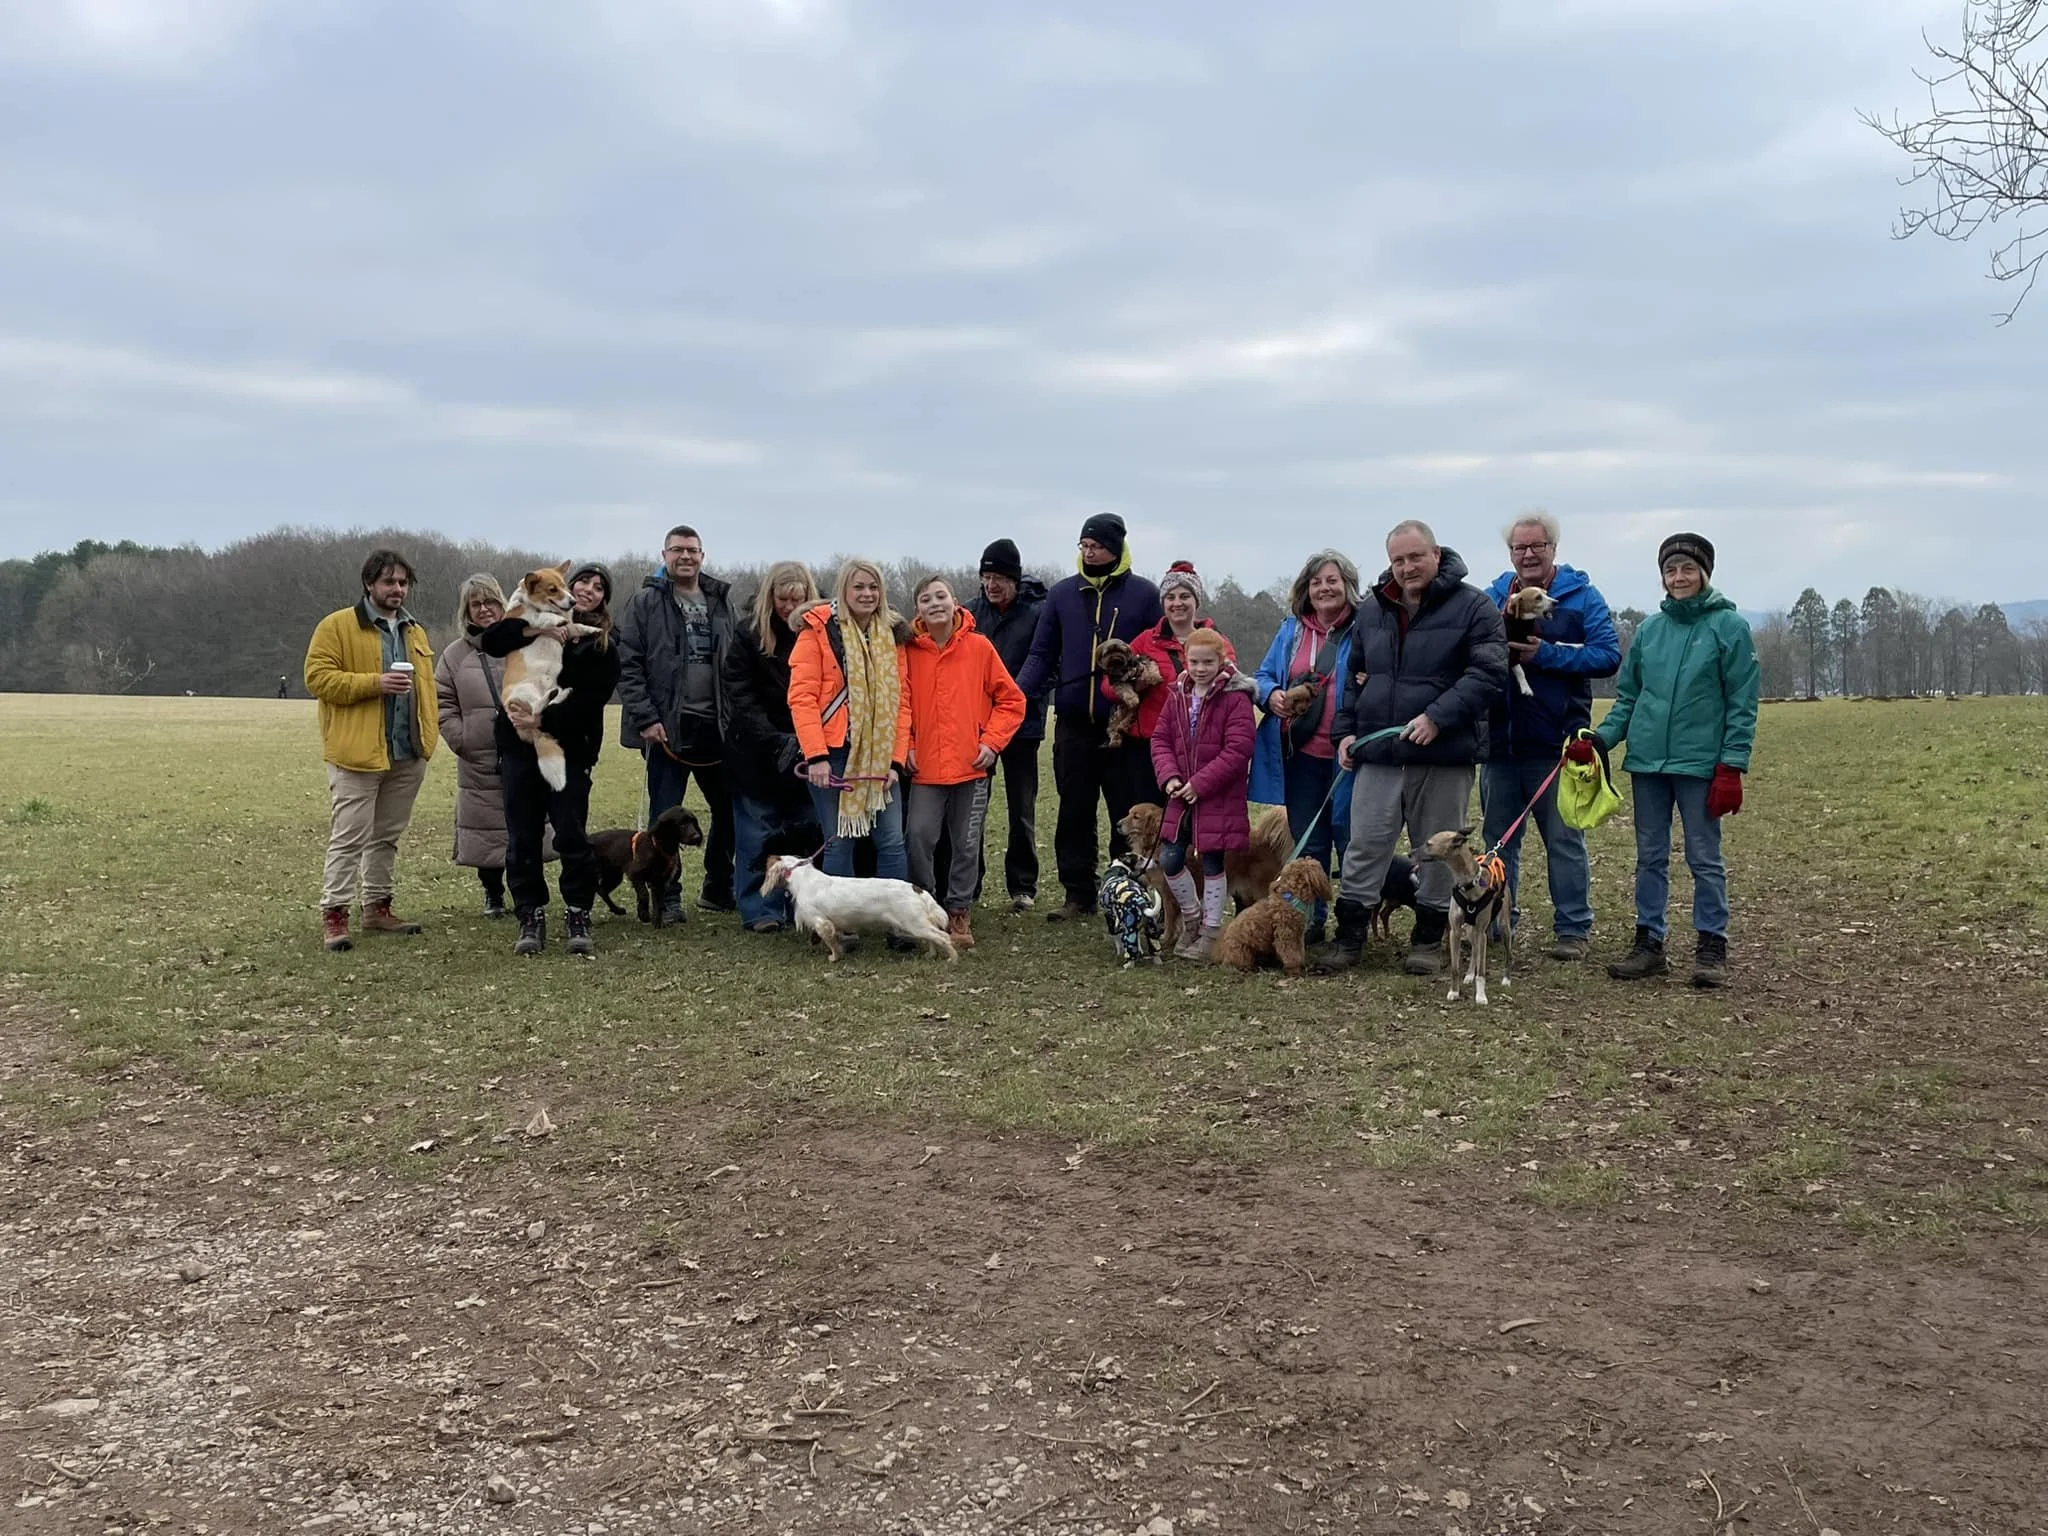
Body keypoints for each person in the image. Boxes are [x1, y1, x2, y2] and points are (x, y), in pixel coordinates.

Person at [1318, 521, 1507, 976]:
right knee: (1364, 845)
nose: (1406, 568)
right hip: (1379, 755)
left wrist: (1437, 717)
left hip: (1443, 755)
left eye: (1415, 557)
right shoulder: (1372, 610)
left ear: (1436, 555)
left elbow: (1488, 674)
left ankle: (1427, 940)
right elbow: (1353, 678)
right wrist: (1345, 732)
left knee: (1440, 850)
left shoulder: (1475, 607)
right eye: (1398, 560)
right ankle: (1349, 938)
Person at [1573, 533, 1758, 989]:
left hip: (1700, 766)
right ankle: (1649, 942)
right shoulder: (1650, 631)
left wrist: (1732, 765)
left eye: (1688, 569)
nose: (1679, 577)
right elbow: (1630, 696)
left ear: (1704, 574)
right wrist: (1602, 739)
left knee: (1703, 856)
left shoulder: (1729, 628)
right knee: (1650, 856)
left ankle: (1712, 943)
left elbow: (1742, 702)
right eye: (1671, 570)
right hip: (1649, 764)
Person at [1012, 513, 1164, 922]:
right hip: (1075, 722)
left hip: (1125, 726)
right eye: (1083, 544)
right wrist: (1014, 696)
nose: (1088, 550)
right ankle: (1078, 893)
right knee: (1074, 810)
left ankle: (1127, 889)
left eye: (1095, 544)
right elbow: (1042, 655)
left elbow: (1157, 651)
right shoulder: (1062, 595)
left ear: (1115, 547)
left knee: (1127, 810)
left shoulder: (1145, 595)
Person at [1483, 512, 1621, 962]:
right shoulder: (1493, 596)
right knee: (1500, 841)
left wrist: (1548, 654)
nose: (1528, 554)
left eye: (1537, 546)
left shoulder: (1582, 598)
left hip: (1558, 741)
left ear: (1553, 549)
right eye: (1520, 548)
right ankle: (1499, 922)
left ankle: (1573, 930)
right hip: (1501, 740)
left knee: (1564, 840)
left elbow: (1607, 656)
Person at [302, 548, 439, 953]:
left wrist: (427, 740)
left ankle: (378, 907)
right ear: (369, 584)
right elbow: (317, 678)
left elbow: (427, 689)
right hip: (356, 755)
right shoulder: (337, 626)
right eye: (388, 582)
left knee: (386, 837)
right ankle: (335, 915)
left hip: (406, 753)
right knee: (349, 838)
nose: (397, 589)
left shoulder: (415, 631)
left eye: (402, 582)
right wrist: (373, 684)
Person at [481, 562, 621, 957]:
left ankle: (578, 910)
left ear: (603, 599)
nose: (587, 591)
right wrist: (537, 626)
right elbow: (492, 640)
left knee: (572, 833)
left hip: (571, 747)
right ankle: (530, 912)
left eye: (598, 587)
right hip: (517, 744)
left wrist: (543, 718)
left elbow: (591, 700)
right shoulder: (527, 619)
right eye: (582, 583)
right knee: (522, 834)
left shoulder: (601, 644)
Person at [616, 525, 738, 923]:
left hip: (714, 728)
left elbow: (734, 663)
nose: (686, 557)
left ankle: (719, 888)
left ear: (703, 555)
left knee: (729, 810)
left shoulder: (720, 601)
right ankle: (667, 896)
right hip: (667, 728)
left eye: (692, 550)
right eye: (678, 550)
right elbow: (629, 664)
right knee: (666, 818)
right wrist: (646, 718)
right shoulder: (645, 602)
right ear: (665, 554)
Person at [902, 576, 1027, 950]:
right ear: (918, 610)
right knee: (919, 838)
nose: (935, 603)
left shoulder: (979, 647)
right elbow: (900, 704)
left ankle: (958, 909)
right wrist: (906, 744)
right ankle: (924, 907)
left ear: (955, 601)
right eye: (926, 599)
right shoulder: (908, 650)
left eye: (941, 596)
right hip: (924, 769)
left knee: (967, 843)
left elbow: (1012, 701)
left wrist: (991, 742)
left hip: (971, 767)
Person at [1250, 549, 1363, 938]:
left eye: (1331, 580)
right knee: (1308, 841)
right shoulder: (1291, 630)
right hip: (1299, 754)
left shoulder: (1366, 627)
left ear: (1347, 585)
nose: (1323, 588)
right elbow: (1263, 675)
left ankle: (1353, 924)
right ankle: (1308, 924)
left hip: (1351, 755)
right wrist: (1271, 696)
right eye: (1316, 582)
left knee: (1350, 836)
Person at [789, 559, 913, 890]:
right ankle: (840, 925)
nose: (867, 594)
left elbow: (902, 702)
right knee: (839, 841)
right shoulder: (816, 631)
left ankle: (899, 923)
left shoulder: (892, 635)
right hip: (833, 753)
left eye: (874, 587)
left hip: (881, 756)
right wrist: (816, 755)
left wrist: (896, 761)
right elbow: (802, 698)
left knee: (891, 840)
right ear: (844, 590)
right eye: (858, 586)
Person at [720, 561, 829, 934]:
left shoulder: (823, 633)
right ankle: (759, 908)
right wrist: (774, 739)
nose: (789, 606)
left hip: (808, 745)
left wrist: (806, 738)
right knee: (756, 831)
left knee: (804, 830)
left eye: (797, 598)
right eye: (783, 598)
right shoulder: (748, 634)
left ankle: (804, 903)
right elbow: (739, 691)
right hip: (755, 751)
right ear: (771, 596)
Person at [1148, 629, 1257, 959]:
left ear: (1221, 661)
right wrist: (1170, 777)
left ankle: (1210, 932)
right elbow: (1160, 740)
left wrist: (1201, 784)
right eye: (1194, 661)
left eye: (1208, 662)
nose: (1200, 668)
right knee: (1170, 858)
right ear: (1185, 660)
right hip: (1180, 795)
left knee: (1212, 862)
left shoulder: (1235, 698)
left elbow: (1238, 750)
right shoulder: (1178, 695)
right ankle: (1192, 917)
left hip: (1218, 796)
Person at [961, 539, 1050, 912]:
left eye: (999, 576)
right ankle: (970, 883)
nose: (991, 584)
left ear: (1015, 578)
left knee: (1021, 809)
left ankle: (1022, 885)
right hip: (976, 727)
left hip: (1023, 725)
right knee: (972, 810)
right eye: (986, 576)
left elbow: (1048, 664)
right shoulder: (968, 613)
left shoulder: (1037, 613)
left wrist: (1019, 696)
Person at [436, 573, 520, 918]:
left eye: (490, 601)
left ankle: (524, 893)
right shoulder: (454, 656)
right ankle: (492, 893)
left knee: (522, 825)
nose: (484, 609)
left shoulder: (522, 643)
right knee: (485, 830)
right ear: (467, 611)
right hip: (479, 756)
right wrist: (462, 738)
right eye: (476, 603)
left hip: (522, 750)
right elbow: (442, 701)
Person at [1122, 560, 1234, 747]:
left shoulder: (1217, 641)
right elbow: (1109, 685)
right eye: (1170, 597)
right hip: (1148, 744)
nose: (1177, 603)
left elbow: (1230, 685)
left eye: (1184, 596)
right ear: (1163, 602)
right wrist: (1134, 685)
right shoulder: (1145, 640)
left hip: (1200, 744)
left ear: (1196, 601)